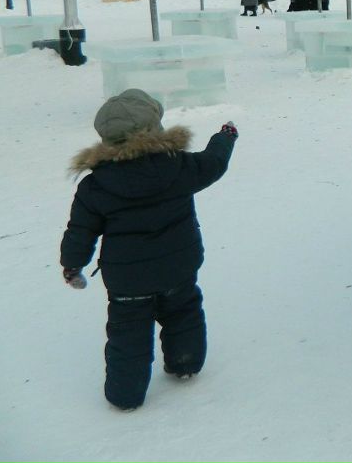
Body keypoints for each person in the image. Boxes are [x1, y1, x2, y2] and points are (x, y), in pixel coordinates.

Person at [59, 89, 238, 411]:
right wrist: (224, 137)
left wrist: (72, 265)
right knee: (183, 313)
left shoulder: (95, 185)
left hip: (128, 280)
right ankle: (185, 362)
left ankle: (125, 395)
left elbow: (80, 231)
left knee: (128, 333)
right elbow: (213, 163)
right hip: (178, 266)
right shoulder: (178, 166)